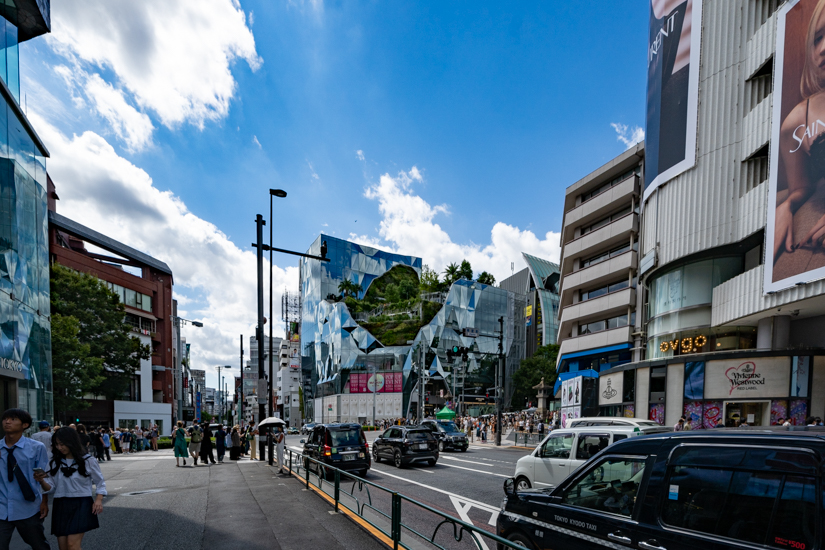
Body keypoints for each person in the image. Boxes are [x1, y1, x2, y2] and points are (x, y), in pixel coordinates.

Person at [775, 0, 825, 258]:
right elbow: (801, 187)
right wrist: (785, 207)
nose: (823, 48)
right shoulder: (796, 122)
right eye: (817, 39)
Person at [0, 408, 52, 550]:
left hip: (28, 506)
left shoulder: (36, 448)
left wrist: (44, 502)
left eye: (13, 419)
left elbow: (44, 476)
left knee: (39, 545)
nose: (7, 422)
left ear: (25, 425)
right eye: (5, 419)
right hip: (2, 507)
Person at [46, 427, 105, 549]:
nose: (59, 448)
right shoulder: (54, 462)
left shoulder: (88, 461)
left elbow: (100, 482)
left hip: (81, 503)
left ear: (71, 442)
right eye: (56, 444)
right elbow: (50, 487)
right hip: (60, 504)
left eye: (62, 444)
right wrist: (41, 480)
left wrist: (98, 499)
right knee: (63, 547)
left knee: (72, 545)